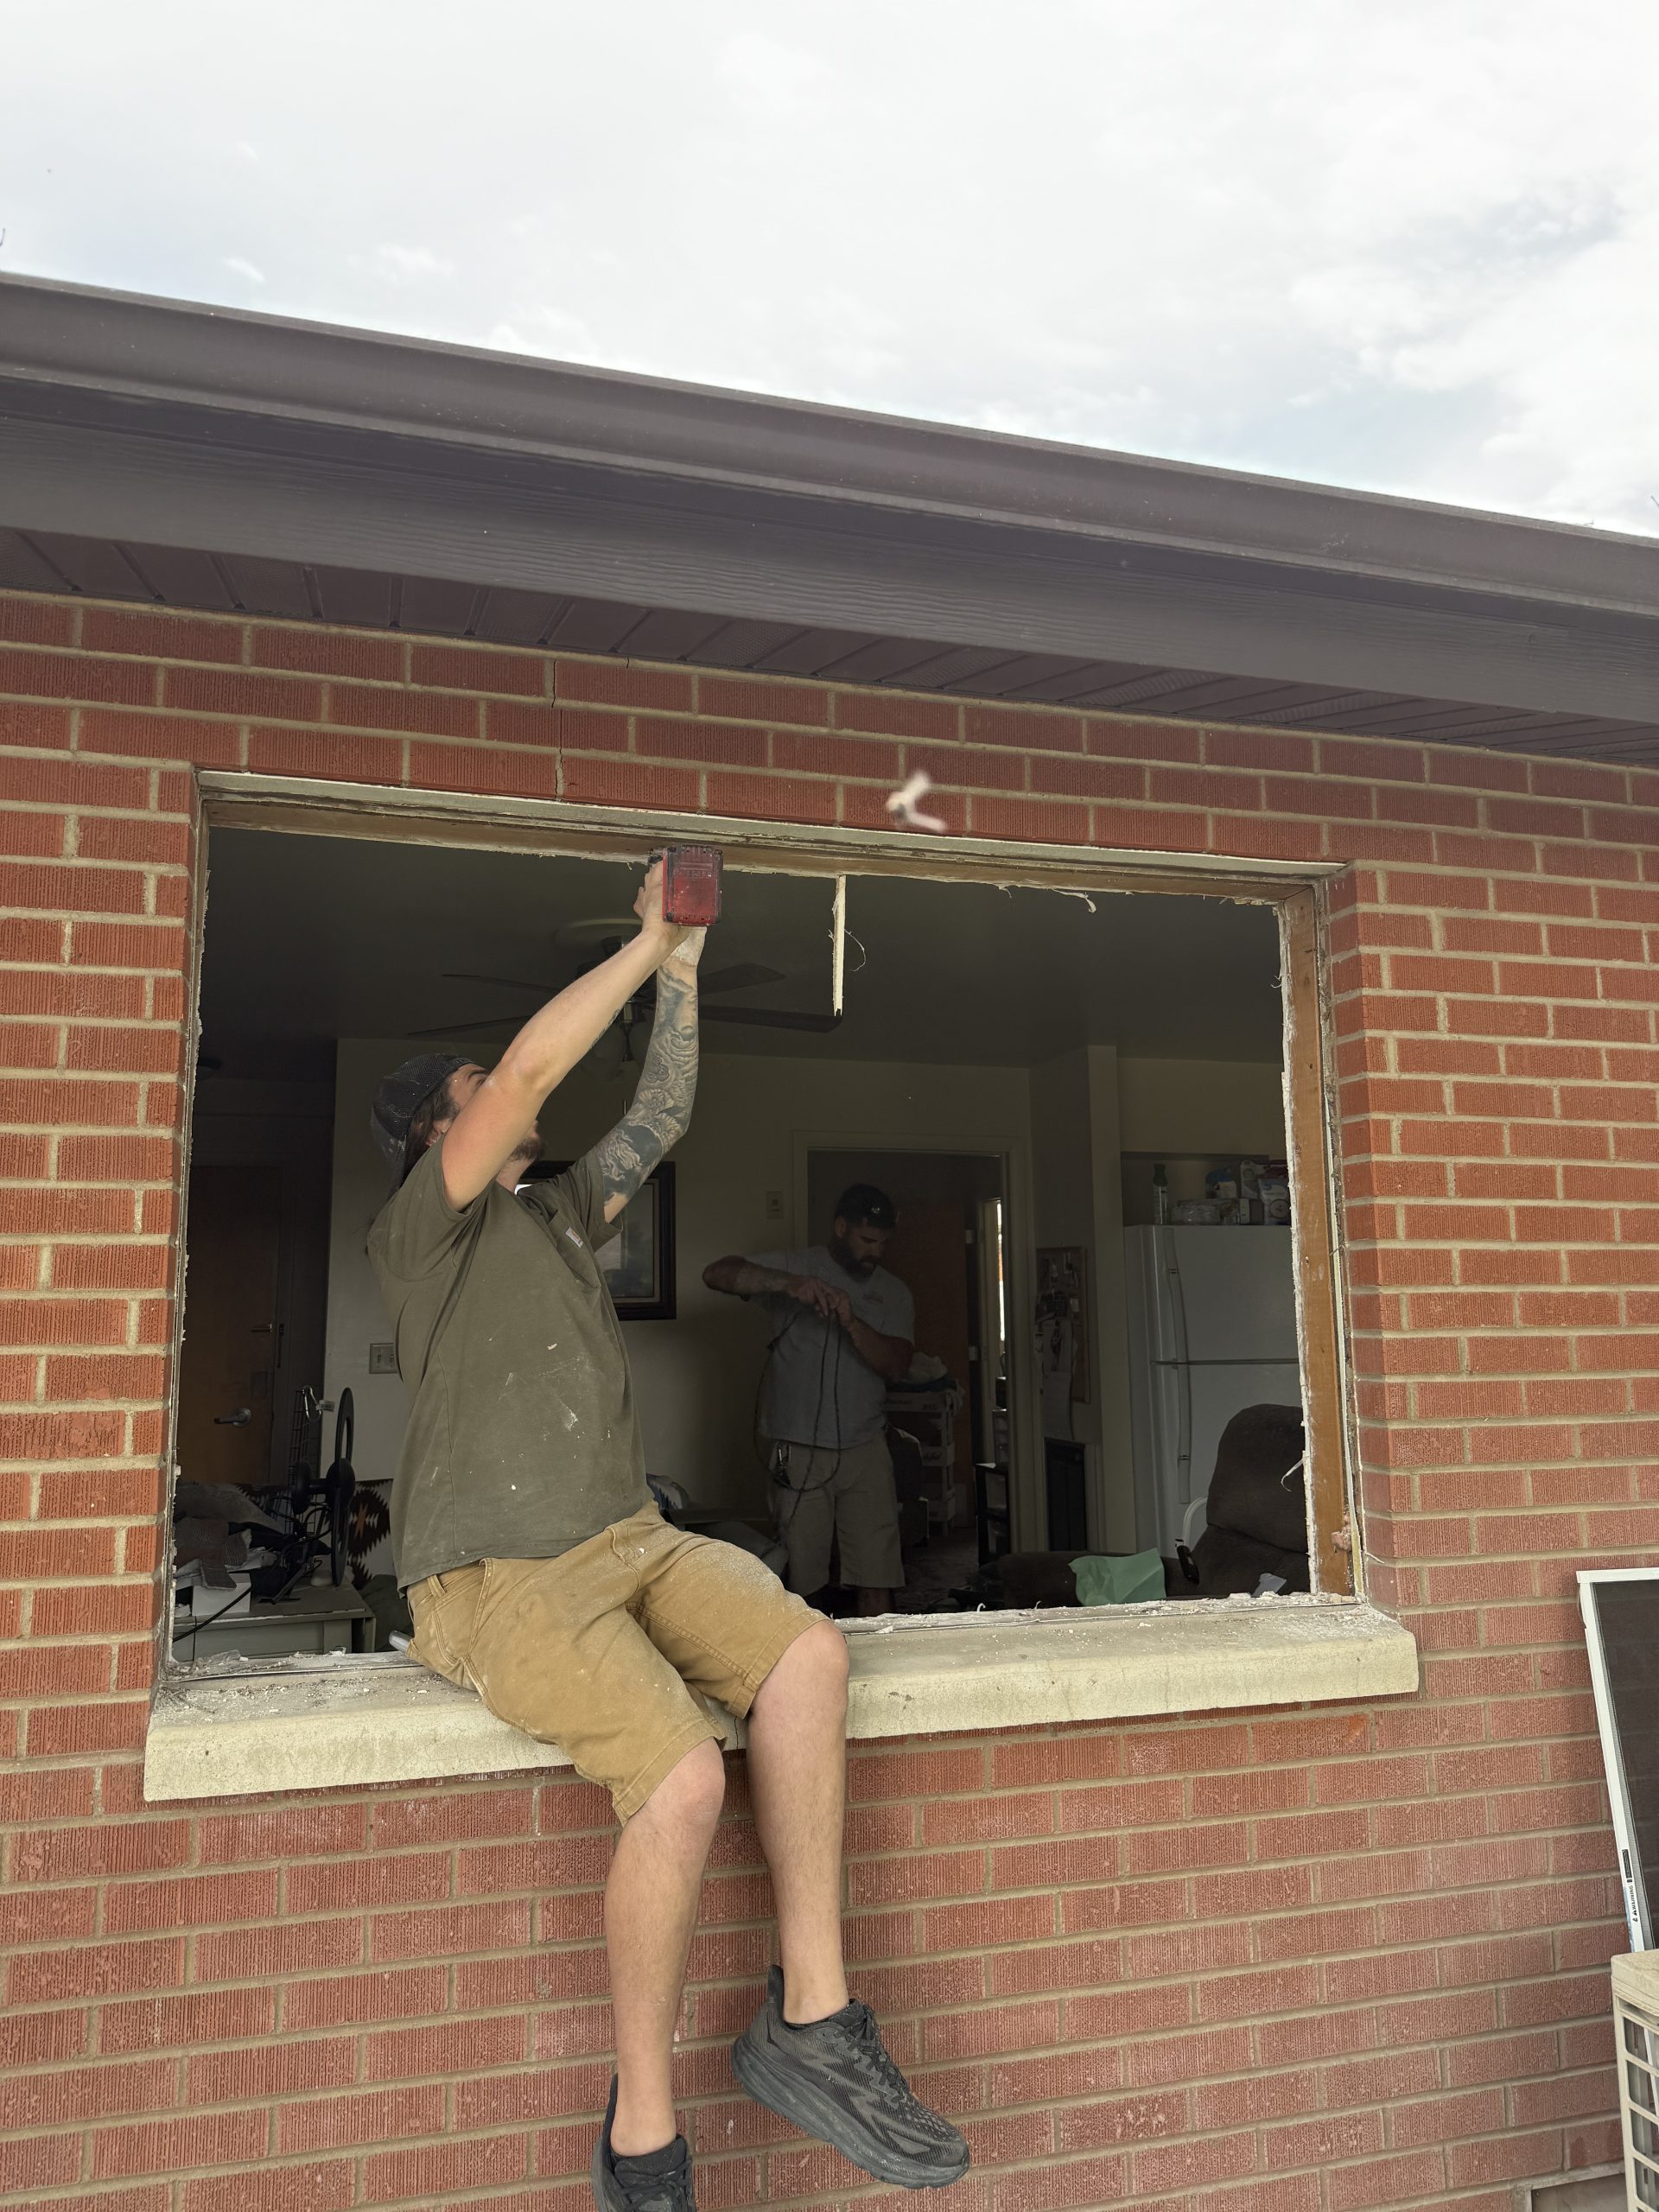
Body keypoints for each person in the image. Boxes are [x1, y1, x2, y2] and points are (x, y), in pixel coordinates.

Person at [366, 864, 967, 2212]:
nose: (505, 1091)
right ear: (433, 1134)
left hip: (629, 1539)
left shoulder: (560, 1216)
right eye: (475, 1088)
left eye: (491, 1081)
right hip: (496, 1577)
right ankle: (642, 2135)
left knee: (809, 1660)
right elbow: (532, 1071)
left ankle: (812, 2021)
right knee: (686, 1781)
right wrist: (646, 940)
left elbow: (663, 1113)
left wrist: (685, 974)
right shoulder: (423, 1232)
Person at [703, 1186, 914, 1617]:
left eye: (883, 1242)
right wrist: (789, 1284)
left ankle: (883, 1654)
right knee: (801, 1579)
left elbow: (896, 1366)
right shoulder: (797, 1266)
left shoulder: (895, 1293)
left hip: (866, 1448)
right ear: (841, 1228)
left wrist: (852, 1323)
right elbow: (717, 1273)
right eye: (866, 1240)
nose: (875, 1252)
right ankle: (809, 1655)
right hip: (798, 1450)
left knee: (878, 1575)